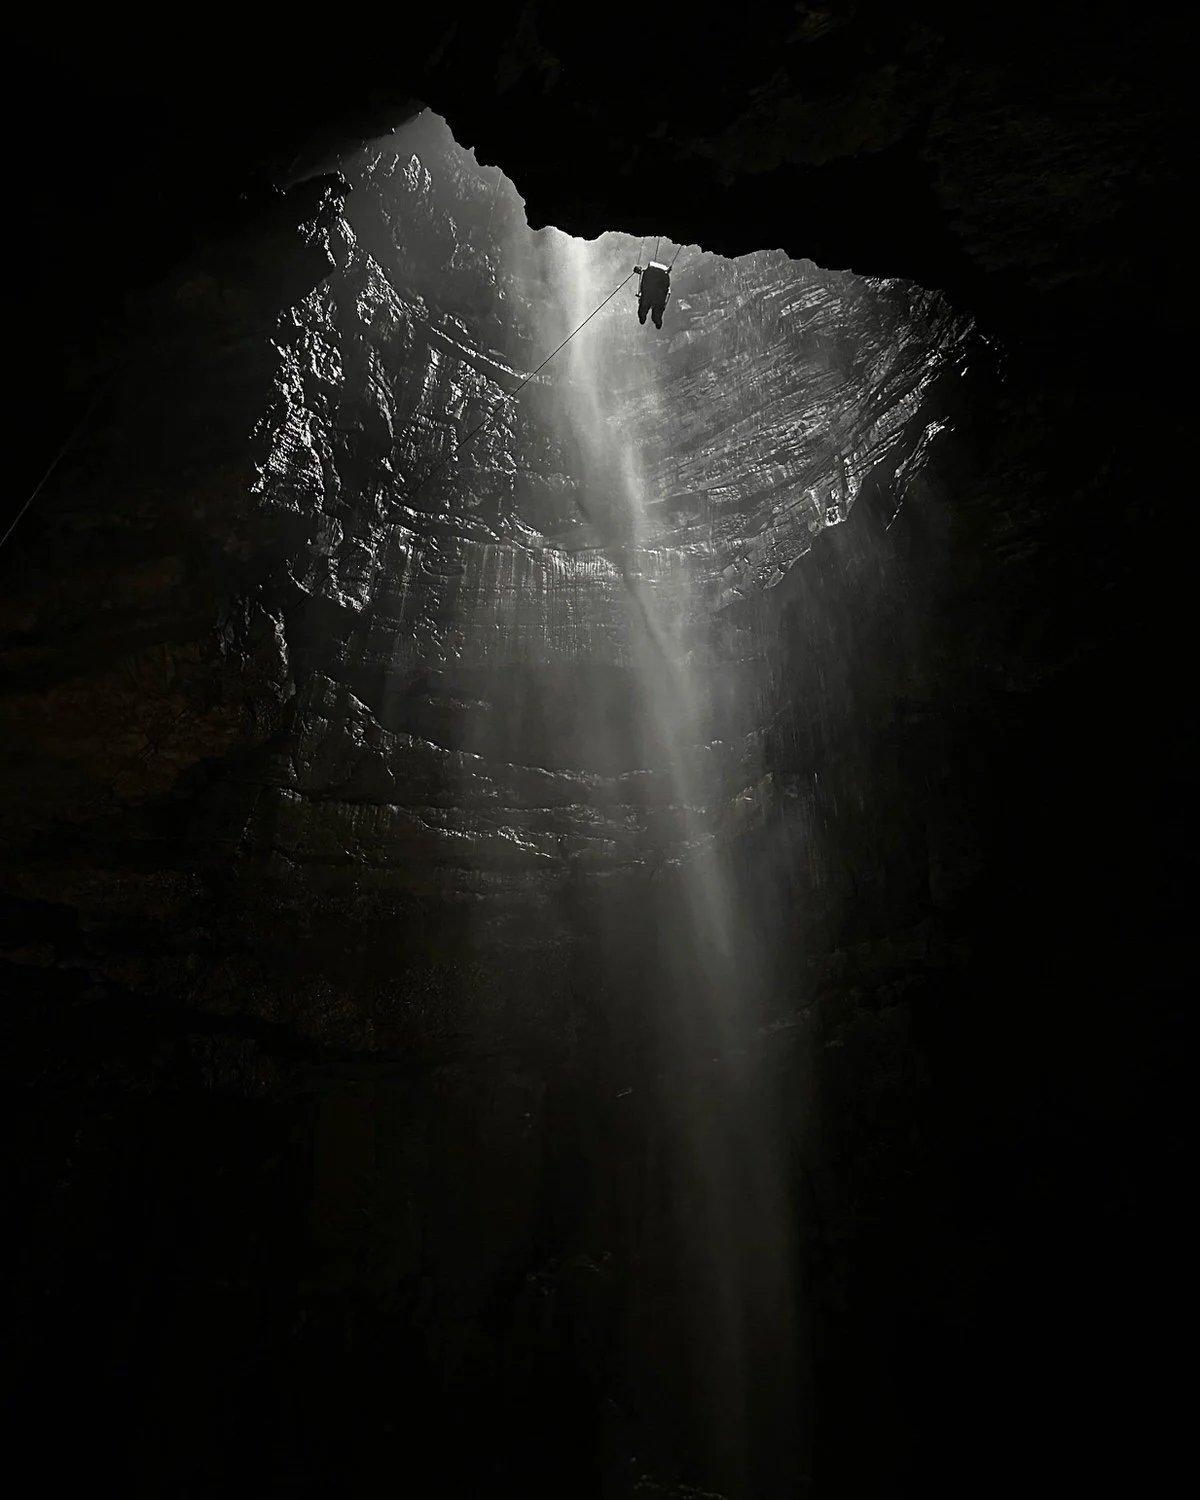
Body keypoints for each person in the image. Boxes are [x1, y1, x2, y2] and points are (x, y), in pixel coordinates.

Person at [633, 261, 671, 329]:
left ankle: (644, 320)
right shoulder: (653, 303)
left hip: (655, 278)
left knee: (647, 310)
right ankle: (646, 320)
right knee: (651, 313)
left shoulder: (652, 302)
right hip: (658, 278)